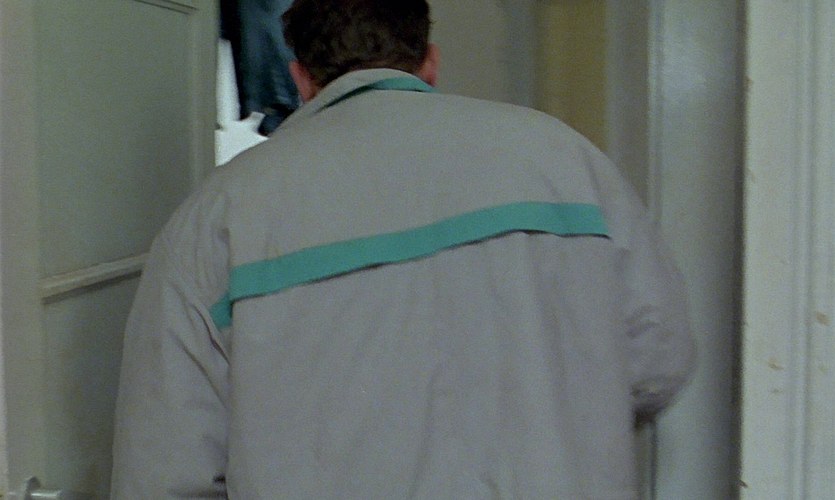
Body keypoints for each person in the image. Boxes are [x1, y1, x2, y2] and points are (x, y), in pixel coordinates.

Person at [110, 0, 696, 497]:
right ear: (430, 63)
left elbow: (165, 466)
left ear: (302, 80)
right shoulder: (564, 159)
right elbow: (658, 356)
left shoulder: (217, 216)